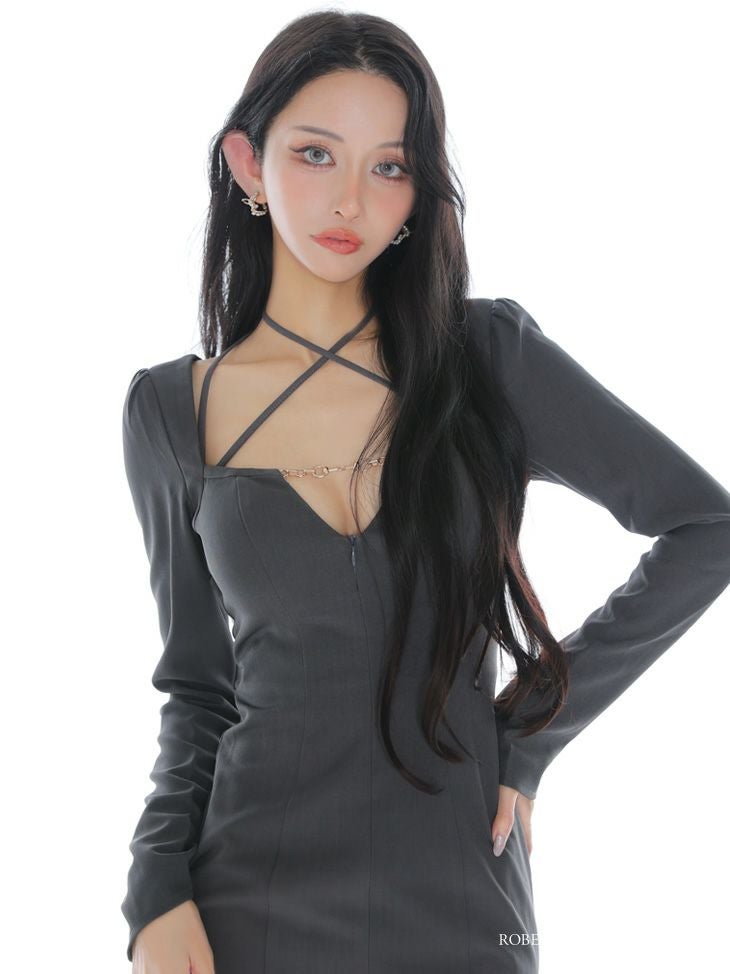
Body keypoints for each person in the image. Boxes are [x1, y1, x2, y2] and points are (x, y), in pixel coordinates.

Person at [119, 11, 730, 974]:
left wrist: (535, 725)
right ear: (246, 164)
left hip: (464, 886)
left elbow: (707, 526)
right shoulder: (171, 410)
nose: (350, 200)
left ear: (419, 192)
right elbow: (198, 687)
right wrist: (156, 891)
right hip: (249, 894)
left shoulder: (486, 359)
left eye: (390, 166)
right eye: (316, 154)